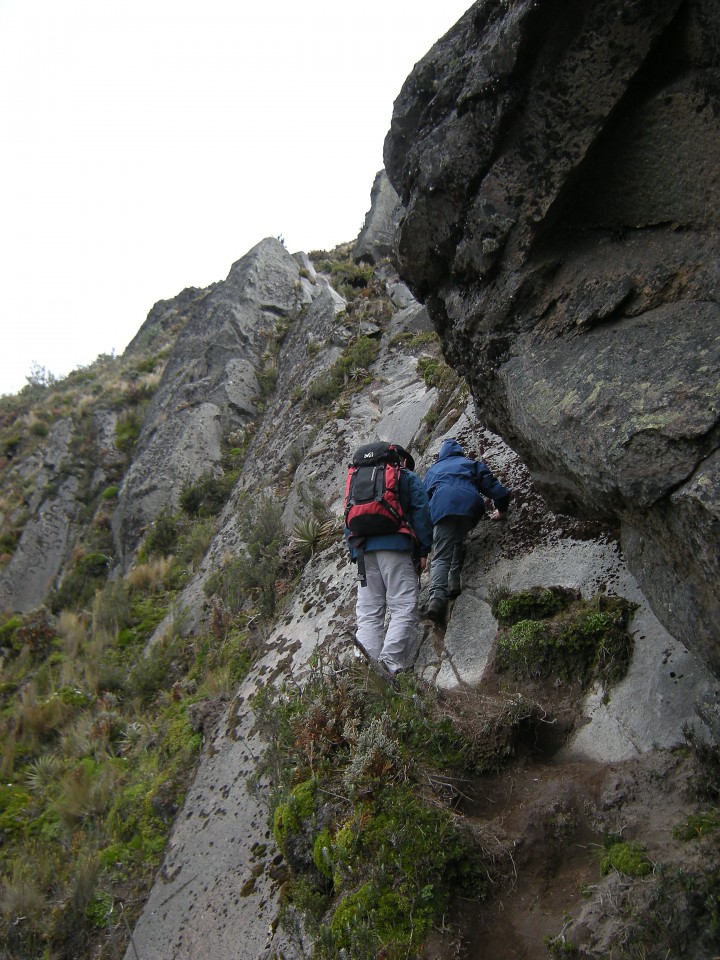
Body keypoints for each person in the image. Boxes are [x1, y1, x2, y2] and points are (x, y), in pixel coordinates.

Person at [346, 443, 433, 679]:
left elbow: (349, 518)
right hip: (396, 547)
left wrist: (355, 551)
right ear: (401, 460)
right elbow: (421, 511)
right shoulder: (406, 476)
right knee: (403, 607)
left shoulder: (358, 479)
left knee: (369, 613)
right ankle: (388, 665)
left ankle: (363, 671)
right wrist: (423, 549)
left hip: (364, 552)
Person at [423, 438, 510, 622]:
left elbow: (422, 502)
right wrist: (501, 510)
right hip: (470, 509)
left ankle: (437, 598)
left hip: (443, 507)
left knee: (441, 554)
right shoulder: (470, 464)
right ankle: (453, 582)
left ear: (441, 455)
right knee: (456, 537)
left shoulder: (433, 471)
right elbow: (497, 490)